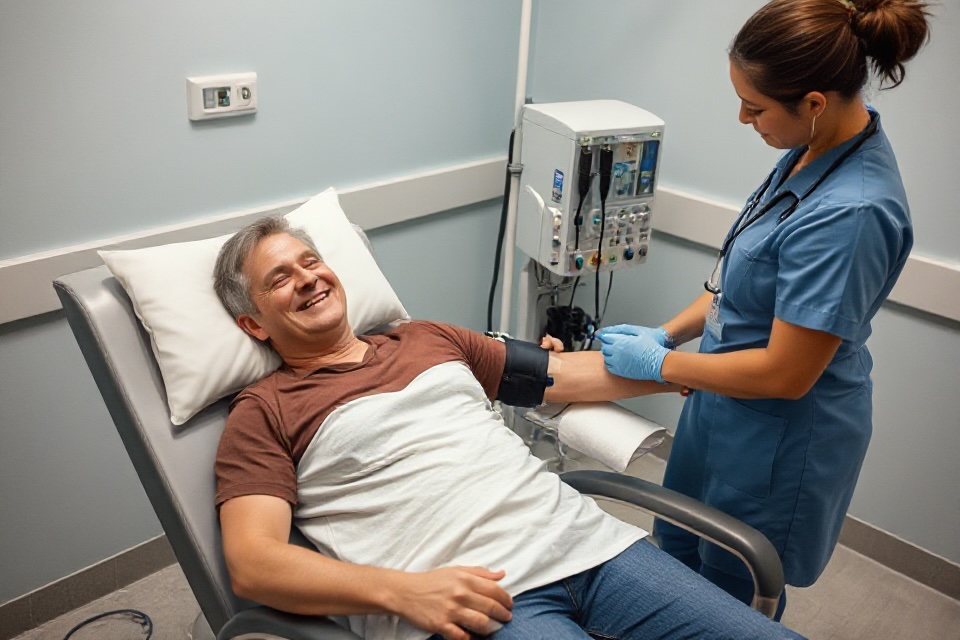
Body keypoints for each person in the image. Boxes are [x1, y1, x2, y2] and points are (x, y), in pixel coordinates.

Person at [211, 215, 803, 640]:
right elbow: (255, 562)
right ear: (254, 323)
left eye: (311, 261)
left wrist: (676, 370)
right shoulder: (264, 411)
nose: (308, 277)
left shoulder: (426, 338)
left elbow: (565, 375)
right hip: (474, 596)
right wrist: (401, 591)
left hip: (588, 545)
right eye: (280, 278)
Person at [596, 0, 932, 621]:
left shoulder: (852, 213)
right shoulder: (809, 153)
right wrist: (666, 333)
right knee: (672, 553)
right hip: (721, 409)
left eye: (755, 107)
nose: (743, 118)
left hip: (777, 439)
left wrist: (663, 366)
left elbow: (786, 373)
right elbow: (739, 284)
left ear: (812, 103)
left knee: (726, 597)